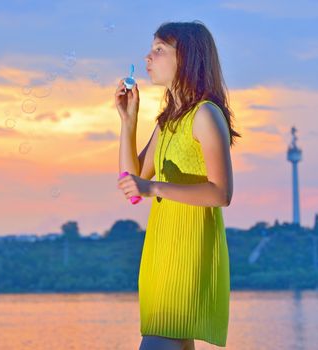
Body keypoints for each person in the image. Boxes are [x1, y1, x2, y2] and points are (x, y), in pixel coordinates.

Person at [116, 21, 242, 349]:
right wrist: (128, 121)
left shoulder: (205, 115)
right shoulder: (169, 122)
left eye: (159, 50)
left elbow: (221, 193)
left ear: (185, 59)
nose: (148, 57)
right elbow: (132, 180)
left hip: (187, 252)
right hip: (161, 250)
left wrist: (154, 188)